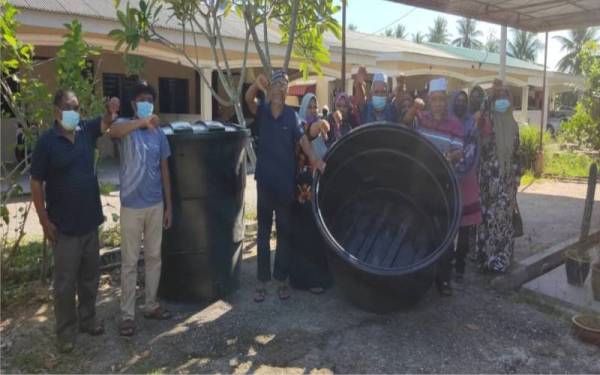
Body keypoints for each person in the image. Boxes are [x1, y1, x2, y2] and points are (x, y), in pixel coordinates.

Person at [30, 89, 119, 352]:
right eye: (70, 106)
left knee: (90, 277)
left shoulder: (85, 130)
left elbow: (104, 123)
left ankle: (88, 320)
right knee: (65, 284)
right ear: (56, 111)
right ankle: (66, 332)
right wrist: (44, 220)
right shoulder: (47, 142)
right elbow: (36, 182)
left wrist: (110, 111)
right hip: (64, 227)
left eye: (77, 107)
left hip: (90, 221)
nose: (75, 111)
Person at [245, 70, 325, 302]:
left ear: (287, 91)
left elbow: (304, 142)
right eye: (277, 83)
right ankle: (262, 281)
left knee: (284, 233)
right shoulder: (262, 111)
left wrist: (316, 161)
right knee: (262, 232)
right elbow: (249, 100)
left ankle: (281, 280)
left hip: (285, 185)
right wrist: (255, 85)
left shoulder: (292, 117)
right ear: (270, 88)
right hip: (264, 184)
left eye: (284, 85)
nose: (280, 88)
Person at [109, 82, 173, 336]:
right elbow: (113, 132)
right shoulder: (126, 126)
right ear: (134, 104)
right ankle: (127, 315)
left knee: (154, 257)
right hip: (132, 207)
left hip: (155, 204)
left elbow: (165, 170)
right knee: (129, 261)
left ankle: (151, 304)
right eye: (142, 99)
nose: (147, 103)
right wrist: (141, 123)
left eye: (150, 99)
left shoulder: (159, 134)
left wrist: (169, 206)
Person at [402, 78, 465, 296]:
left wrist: (453, 156)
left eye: (441, 100)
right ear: (429, 100)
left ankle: (443, 280)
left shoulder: (455, 125)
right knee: (417, 227)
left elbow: (459, 152)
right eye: (434, 100)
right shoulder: (421, 118)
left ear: (446, 101)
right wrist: (414, 107)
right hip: (420, 183)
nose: (438, 104)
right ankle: (416, 276)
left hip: (444, 185)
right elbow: (405, 124)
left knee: (444, 234)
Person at [289, 93, 333, 294]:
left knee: (317, 236)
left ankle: (318, 277)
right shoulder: (299, 129)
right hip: (303, 192)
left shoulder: (321, 134)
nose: (313, 111)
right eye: (310, 107)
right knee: (305, 235)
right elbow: (306, 137)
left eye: (316, 107)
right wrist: (317, 127)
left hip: (317, 191)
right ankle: (304, 280)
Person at [476, 79, 521, 273]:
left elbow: (517, 155)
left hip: (506, 182)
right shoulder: (488, 121)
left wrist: (516, 183)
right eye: (499, 98)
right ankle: (486, 260)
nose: (502, 101)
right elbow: (481, 111)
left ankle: (500, 261)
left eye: (505, 97)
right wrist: (491, 95)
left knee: (502, 221)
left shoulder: (514, 125)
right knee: (487, 219)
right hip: (487, 180)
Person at [444, 90, 483, 285]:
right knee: (450, 228)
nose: (460, 103)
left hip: (466, 180)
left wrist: (461, 167)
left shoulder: (472, 124)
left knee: (465, 230)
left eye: (463, 101)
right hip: (449, 179)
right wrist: (451, 166)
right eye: (457, 100)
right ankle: (448, 265)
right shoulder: (447, 121)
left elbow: (473, 149)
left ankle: (460, 267)